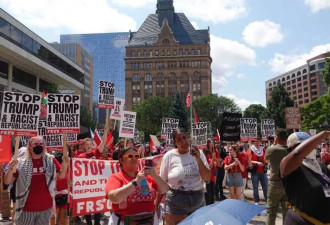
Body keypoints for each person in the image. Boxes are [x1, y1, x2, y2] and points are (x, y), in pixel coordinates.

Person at [4, 136, 69, 225]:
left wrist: (65, 165)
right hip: (26, 209)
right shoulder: (20, 162)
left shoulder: (50, 160)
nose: (39, 146)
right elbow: (7, 181)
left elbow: (61, 175)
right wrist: (11, 169)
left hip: (45, 208)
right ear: (30, 147)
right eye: (36, 144)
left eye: (41, 144)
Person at [156, 128, 211, 225]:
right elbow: (162, 183)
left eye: (184, 138)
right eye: (179, 139)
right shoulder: (169, 156)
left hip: (197, 200)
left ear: (189, 138)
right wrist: (156, 205)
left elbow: (207, 178)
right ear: (175, 143)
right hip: (175, 202)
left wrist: (198, 159)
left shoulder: (199, 153)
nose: (183, 142)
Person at [105, 147, 169, 225]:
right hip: (126, 221)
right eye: (130, 156)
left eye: (136, 156)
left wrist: (155, 175)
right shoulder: (116, 177)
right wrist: (136, 182)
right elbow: (113, 198)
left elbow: (164, 189)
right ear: (121, 160)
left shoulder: (146, 175)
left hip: (149, 220)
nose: (134, 158)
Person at [280, 131, 330, 225]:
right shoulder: (287, 165)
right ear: (293, 147)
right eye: (308, 143)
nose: (312, 147)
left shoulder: (321, 166)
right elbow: (298, 154)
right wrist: (324, 134)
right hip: (301, 221)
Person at [78, 126, 109, 225]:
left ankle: (97, 222)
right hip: (86, 184)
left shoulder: (96, 153)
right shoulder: (80, 157)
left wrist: (105, 132)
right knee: (87, 205)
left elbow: (103, 143)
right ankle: (88, 222)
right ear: (84, 146)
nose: (88, 146)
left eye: (90, 144)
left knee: (97, 203)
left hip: (96, 183)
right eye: (86, 144)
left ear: (92, 145)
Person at [264, 129, 289, 225]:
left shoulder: (271, 149)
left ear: (277, 138)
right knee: (287, 210)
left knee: (271, 211)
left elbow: (266, 161)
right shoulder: (290, 149)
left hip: (275, 184)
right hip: (287, 185)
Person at [249, 139, 268, 204]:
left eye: (258, 141)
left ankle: (267, 201)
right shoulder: (250, 150)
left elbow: (266, 159)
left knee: (265, 187)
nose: (257, 143)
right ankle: (256, 201)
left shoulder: (263, 149)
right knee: (255, 187)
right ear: (253, 142)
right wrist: (257, 162)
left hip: (262, 171)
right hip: (255, 172)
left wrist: (265, 161)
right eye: (256, 141)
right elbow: (248, 160)